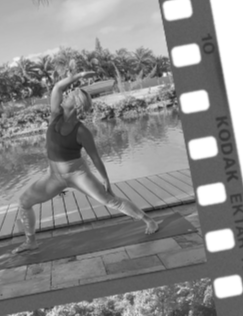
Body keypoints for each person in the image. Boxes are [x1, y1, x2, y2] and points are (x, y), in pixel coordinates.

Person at [17, 71, 158, 251]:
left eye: (68, 97)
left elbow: (95, 158)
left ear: (76, 104)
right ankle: (31, 241)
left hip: (77, 175)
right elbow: (57, 88)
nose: (64, 97)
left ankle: (148, 220)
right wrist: (77, 76)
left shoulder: (82, 131)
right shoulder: (55, 115)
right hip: (53, 177)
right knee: (24, 201)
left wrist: (106, 180)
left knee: (110, 200)